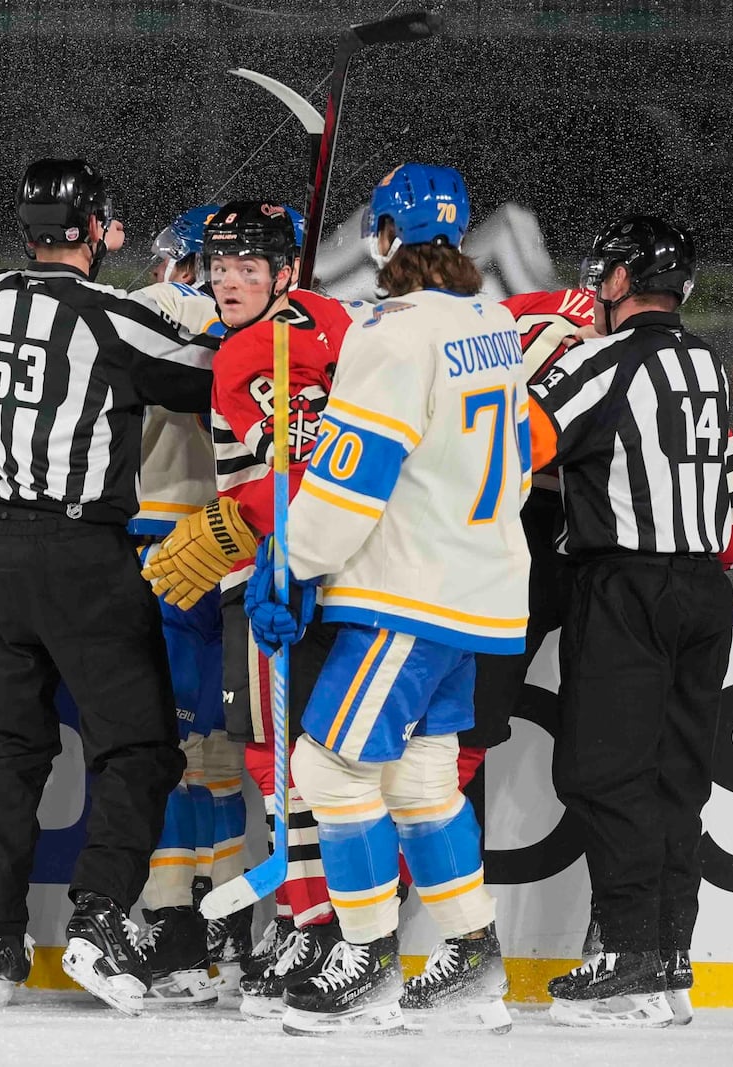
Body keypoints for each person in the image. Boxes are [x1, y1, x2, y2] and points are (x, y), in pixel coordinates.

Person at [246, 163, 528, 1035]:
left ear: (384, 240)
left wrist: (290, 561)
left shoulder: (391, 333)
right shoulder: (493, 324)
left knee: (328, 767)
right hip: (474, 591)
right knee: (418, 776)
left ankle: (362, 960)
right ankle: (475, 957)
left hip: (407, 593)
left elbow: (351, 480)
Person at [0, 158, 217, 1015]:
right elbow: (209, 378)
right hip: (82, 554)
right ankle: (100, 914)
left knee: (6, 750)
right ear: (96, 226)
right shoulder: (112, 314)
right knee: (141, 748)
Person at [529, 216, 733, 1028]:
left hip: (626, 585)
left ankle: (626, 956)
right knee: (675, 776)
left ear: (622, 281)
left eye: (604, 275)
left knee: (603, 772)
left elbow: (515, 444)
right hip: (704, 592)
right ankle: (666, 959)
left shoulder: (601, 359)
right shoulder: (706, 363)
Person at [142, 200, 360, 1018]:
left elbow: (305, 478)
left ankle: (320, 927)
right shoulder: (331, 320)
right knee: (300, 766)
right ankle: (323, 925)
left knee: (289, 766)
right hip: (314, 575)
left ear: (285, 271)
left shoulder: (254, 356)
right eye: (220, 266)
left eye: (247, 267)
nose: (229, 281)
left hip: (283, 579)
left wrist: (240, 525)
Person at [128, 202, 237, 1006]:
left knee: (163, 741)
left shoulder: (155, 305)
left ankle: (171, 918)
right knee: (220, 740)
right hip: (236, 538)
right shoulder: (264, 320)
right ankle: (226, 911)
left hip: (160, 536)